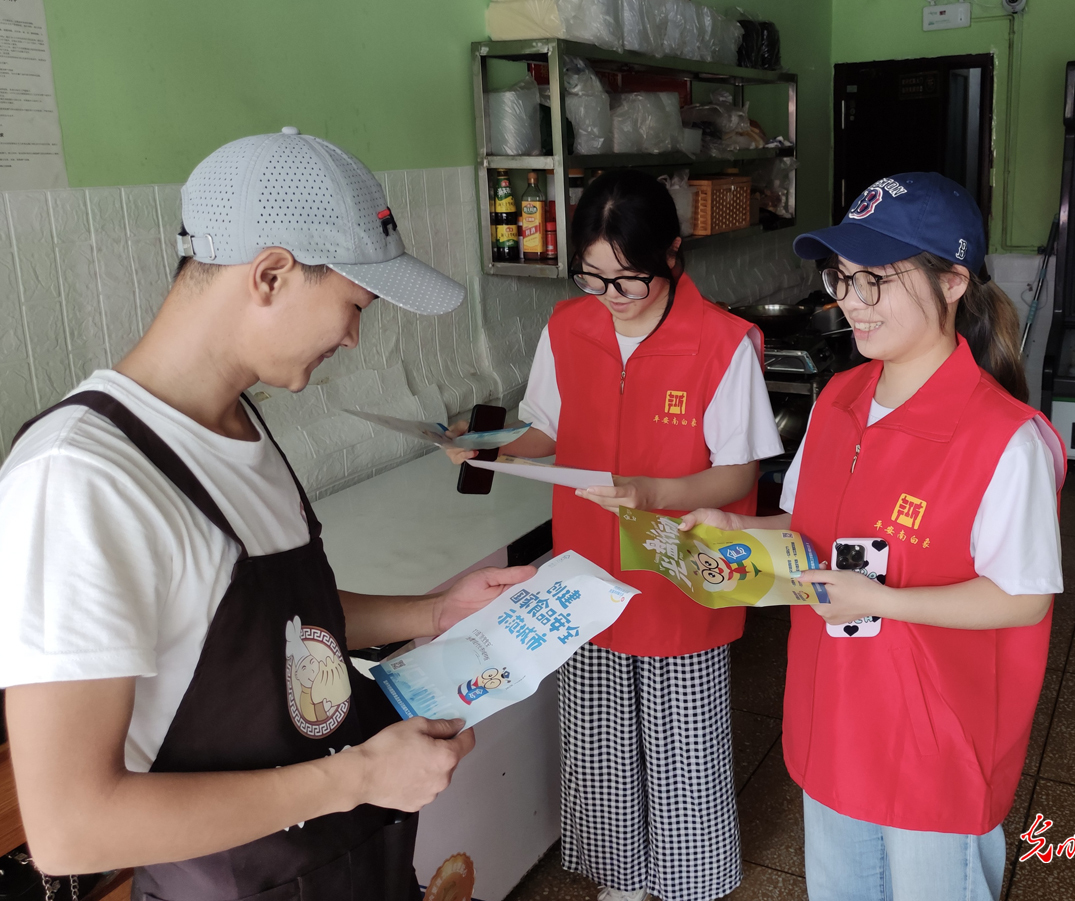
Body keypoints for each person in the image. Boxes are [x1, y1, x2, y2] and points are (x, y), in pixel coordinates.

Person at [0, 128, 537, 901]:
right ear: (272, 274)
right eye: (353, 305)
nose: (353, 336)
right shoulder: (81, 480)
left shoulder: (241, 424)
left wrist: (429, 611)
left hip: (347, 866)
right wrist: (355, 774)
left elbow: (269, 628)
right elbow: (70, 824)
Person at [683, 173, 1065, 901]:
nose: (850, 303)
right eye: (842, 278)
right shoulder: (840, 399)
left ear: (953, 282)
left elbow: (1022, 600)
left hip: (931, 750)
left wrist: (881, 600)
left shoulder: (1003, 438)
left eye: (876, 282)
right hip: (835, 724)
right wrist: (739, 526)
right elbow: (805, 527)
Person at [445, 169, 783, 901]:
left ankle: (689, 878)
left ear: (672, 255)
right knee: (598, 737)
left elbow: (737, 472)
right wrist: (489, 447)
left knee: (682, 739)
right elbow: (546, 431)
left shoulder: (721, 344)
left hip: (679, 570)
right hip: (587, 572)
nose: (608, 298)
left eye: (627, 280)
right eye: (591, 278)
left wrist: (655, 493)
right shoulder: (569, 328)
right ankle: (620, 877)